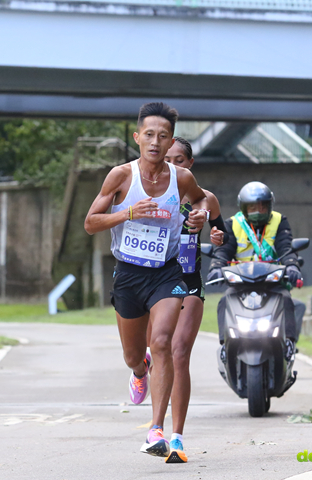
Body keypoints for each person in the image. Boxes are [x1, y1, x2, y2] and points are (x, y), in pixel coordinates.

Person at [84, 102, 209, 462]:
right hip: (129, 273)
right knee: (133, 355)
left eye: (163, 136)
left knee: (163, 342)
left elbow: (201, 202)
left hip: (167, 272)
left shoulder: (181, 178)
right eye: (149, 135)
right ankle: (140, 372)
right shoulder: (121, 176)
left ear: (171, 141)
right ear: (137, 137)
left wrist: (199, 217)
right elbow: (91, 222)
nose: (156, 142)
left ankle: (156, 430)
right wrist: (127, 213)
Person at [142, 136, 228, 462]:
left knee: (179, 353)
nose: (173, 164)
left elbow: (221, 236)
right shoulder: (151, 194)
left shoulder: (205, 199)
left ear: (189, 165)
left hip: (189, 282)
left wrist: (218, 238)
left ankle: (174, 437)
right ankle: (143, 368)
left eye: (180, 160)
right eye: (168, 158)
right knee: (156, 347)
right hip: (155, 284)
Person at [207, 181, 306, 357]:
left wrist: (291, 265)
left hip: (273, 281)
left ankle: (289, 344)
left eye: (262, 206)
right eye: (252, 207)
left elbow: (286, 248)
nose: (258, 211)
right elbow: (223, 250)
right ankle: (225, 345)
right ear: (243, 208)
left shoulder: (279, 221)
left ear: (270, 205)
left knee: (286, 299)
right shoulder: (232, 224)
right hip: (240, 282)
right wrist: (216, 267)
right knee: (225, 300)